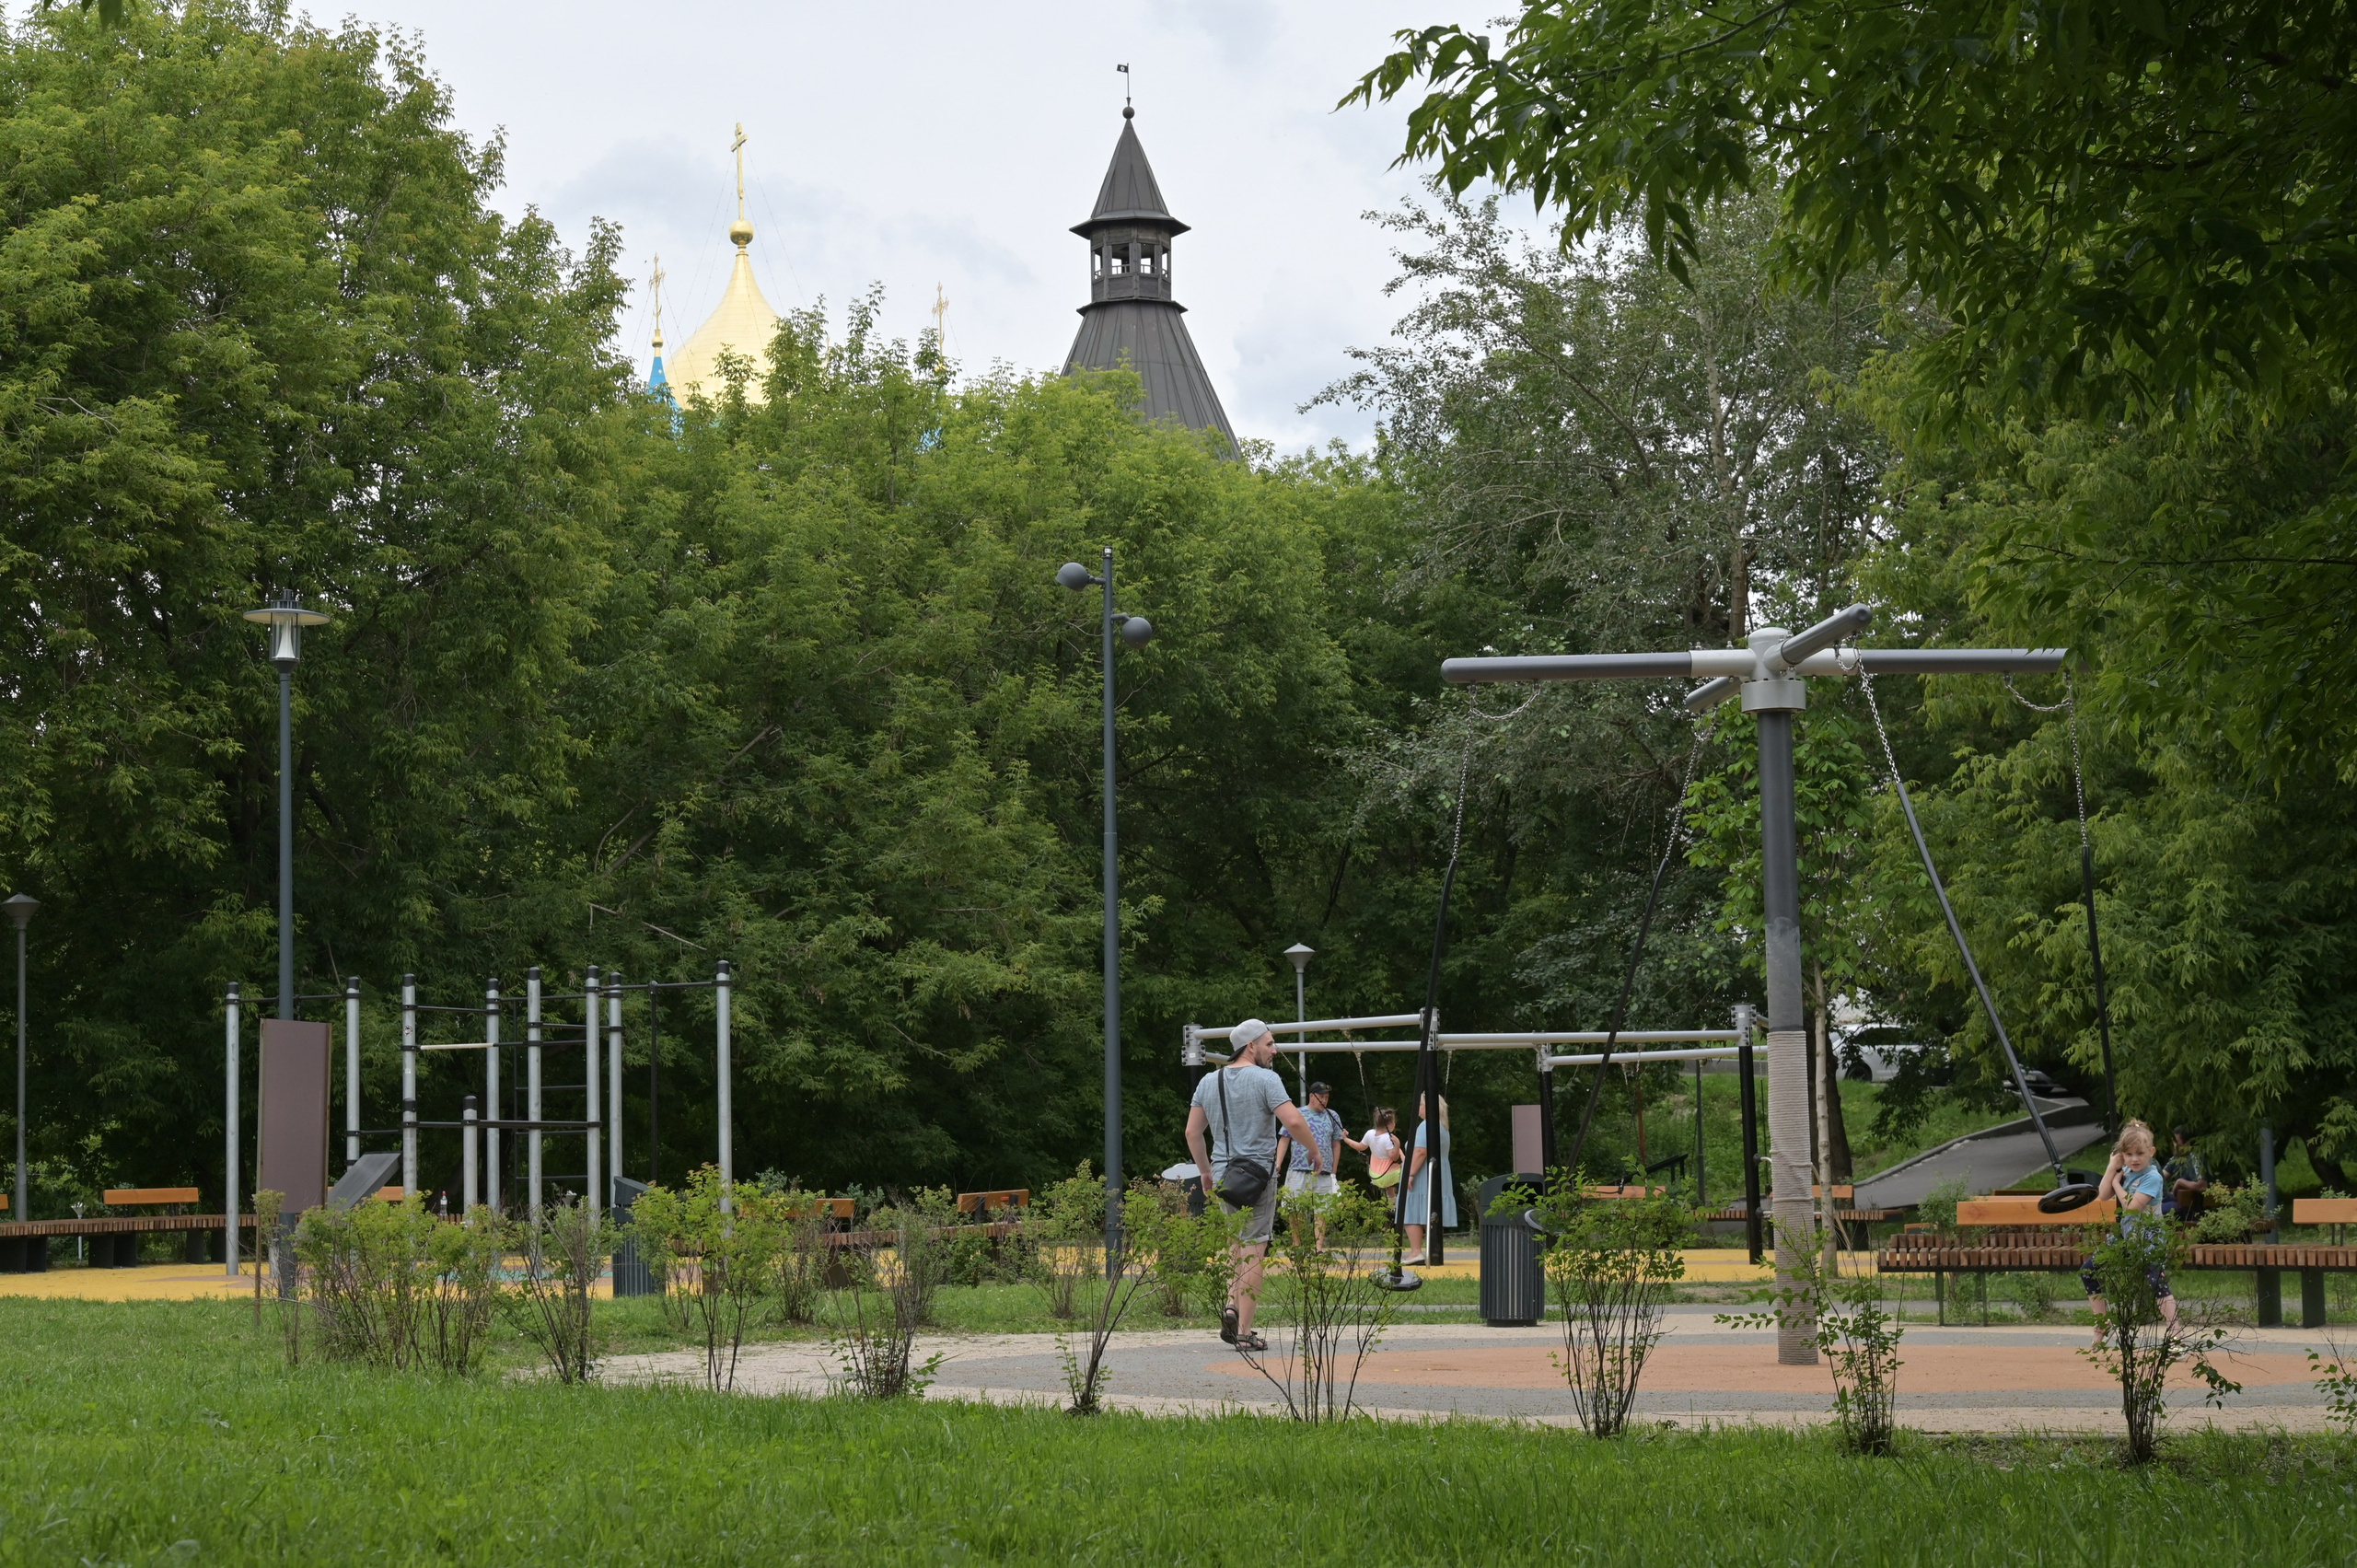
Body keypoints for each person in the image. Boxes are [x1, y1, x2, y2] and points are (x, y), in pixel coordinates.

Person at [1183, 1018, 1321, 1353]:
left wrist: (1205, 1171)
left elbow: (1192, 1132)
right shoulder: (1266, 1079)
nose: (1274, 1051)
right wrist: (1315, 1151)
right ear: (1251, 1047)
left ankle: (1232, 1306)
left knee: (1236, 1243)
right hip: (1258, 1175)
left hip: (1223, 1174)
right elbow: (1292, 1120)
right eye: (1270, 1044)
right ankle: (1244, 1332)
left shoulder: (1208, 1082)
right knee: (1255, 1249)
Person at [2081, 1119, 2179, 1350]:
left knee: (2156, 1281)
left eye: (2140, 1154)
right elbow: (2102, 1195)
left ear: (2151, 1153)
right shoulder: (2126, 1170)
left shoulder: (2152, 1177)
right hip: (2128, 1237)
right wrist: (2111, 1168)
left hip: (2149, 1237)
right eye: (2128, 1154)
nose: (2134, 1159)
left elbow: (2132, 1206)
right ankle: (2101, 1323)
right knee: (2088, 1270)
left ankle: (2175, 1333)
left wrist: (2117, 1182)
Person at [1276, 1081, 1356, 1246]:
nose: (1324, 1101)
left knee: (1323, 1210)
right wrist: (1278, 1163)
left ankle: (1318, 1247)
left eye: (1326, 1097)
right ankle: (1297, 1245)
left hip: (1324, 1171)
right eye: (1321, 1097)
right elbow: (1284, 1139)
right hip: (1299, 1168)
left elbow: (1336, 1143)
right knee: (1294, 1208)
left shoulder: (1332, 1115)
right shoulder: (1297, 1113)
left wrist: (1333, 1171)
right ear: (1312, 1096)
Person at [1401, 1093, 1456, 1266]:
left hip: (1423, 1173)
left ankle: (1416, 1251)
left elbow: (1420, 1151)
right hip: (1438, 1173)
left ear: (1429, 1107)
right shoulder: (1442, 1126)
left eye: (1420, 1105)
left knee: (1410, 1210)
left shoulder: (1426, 1126)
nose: (1418, 1108)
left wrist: (1410, 1174)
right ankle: (1432, 1250)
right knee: (1430, 1210)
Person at [2162, 1127, 2210, 1221]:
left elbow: (2202, 1186)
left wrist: (2180, 1182)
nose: (2174, 1145)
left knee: (2151, 1213)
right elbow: (2160, 1177)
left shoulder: (2195, 1158)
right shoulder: (2176, 1158)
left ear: (2187, 1144)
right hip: (2174, 1199)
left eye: (2177, 1142)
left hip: (2188, 1207)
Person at [1364, 1108, 1401, 1189]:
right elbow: (1394, 1158)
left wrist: (1347, 1139)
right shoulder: (1388, 1138)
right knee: (1400, 1156)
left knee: (1389, 1186)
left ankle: (1392, 1199)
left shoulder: (1370, 1133)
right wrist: (1397, 1143)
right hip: (1388, 1175)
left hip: (1374, 1175)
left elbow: (1360, 1146)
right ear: (1390, 1124)